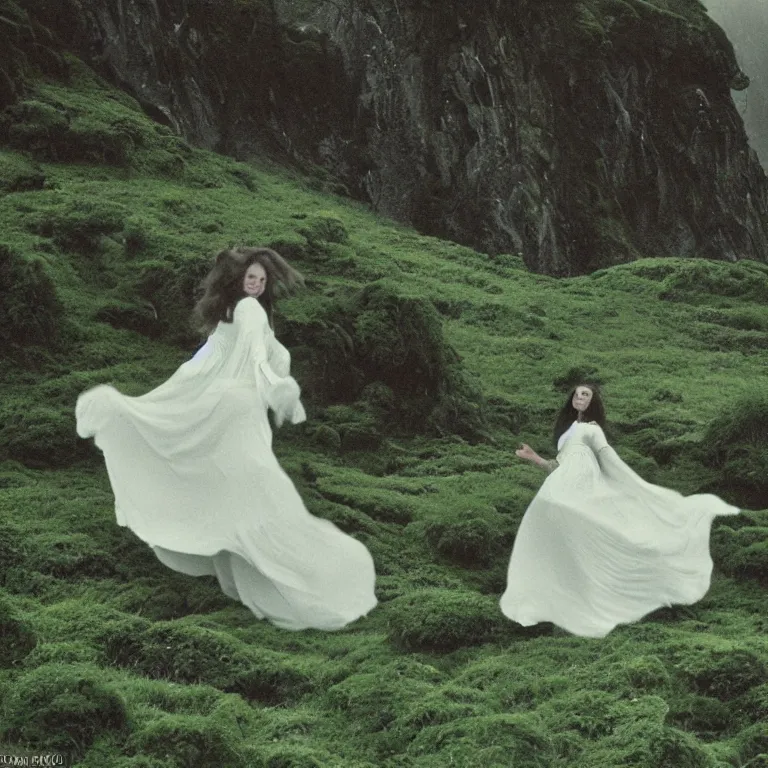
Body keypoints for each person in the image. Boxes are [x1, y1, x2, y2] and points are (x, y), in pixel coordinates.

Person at [76, 246, 377, 631]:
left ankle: (254, 568)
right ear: (238, 280)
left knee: (240, 485)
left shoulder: (233, 317)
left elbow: (198, 367)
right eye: (250, 278)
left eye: (261, 280)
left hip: (234, 411)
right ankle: (292, 577)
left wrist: (150, 406)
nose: (255, 284)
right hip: (241, 411)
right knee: (259, 489)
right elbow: (251, 360)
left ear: (267, 285)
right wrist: (279, 386)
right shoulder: (248, 313)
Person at [500, 383, 739, 638]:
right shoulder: (567, 432)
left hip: (581, 482)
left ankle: (607, 592)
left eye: (586, 395)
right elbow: (557, 466)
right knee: (551, 528)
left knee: (576, 527)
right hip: (560, 481)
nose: (580, 397)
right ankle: (565, 598)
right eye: (577, 393)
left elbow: (608, 458)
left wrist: (636, 486)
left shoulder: (592, 429)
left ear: (593, 402)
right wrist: (533, 457)